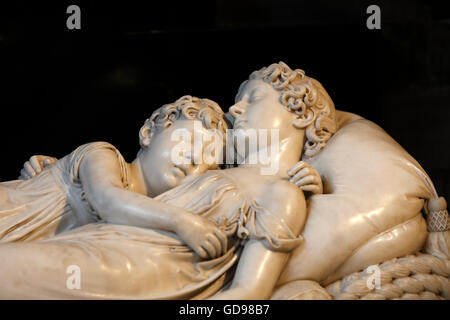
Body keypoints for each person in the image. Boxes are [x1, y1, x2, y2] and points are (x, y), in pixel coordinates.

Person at [0, 62, 335, 299]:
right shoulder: (217, 174)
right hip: (89, 242)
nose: (235, 109)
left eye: (254, 98)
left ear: (301, 113)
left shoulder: (284, 192)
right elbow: (115, 193)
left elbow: (248, 294)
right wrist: (57, 172)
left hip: (124, 269)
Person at [0, 95, 232, 259]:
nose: (193, 159)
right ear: (148, 133)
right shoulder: (103, 154)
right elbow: (108, 200)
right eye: (188, 140)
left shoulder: (147, 223)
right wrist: (184, 223)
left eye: (206, 161)